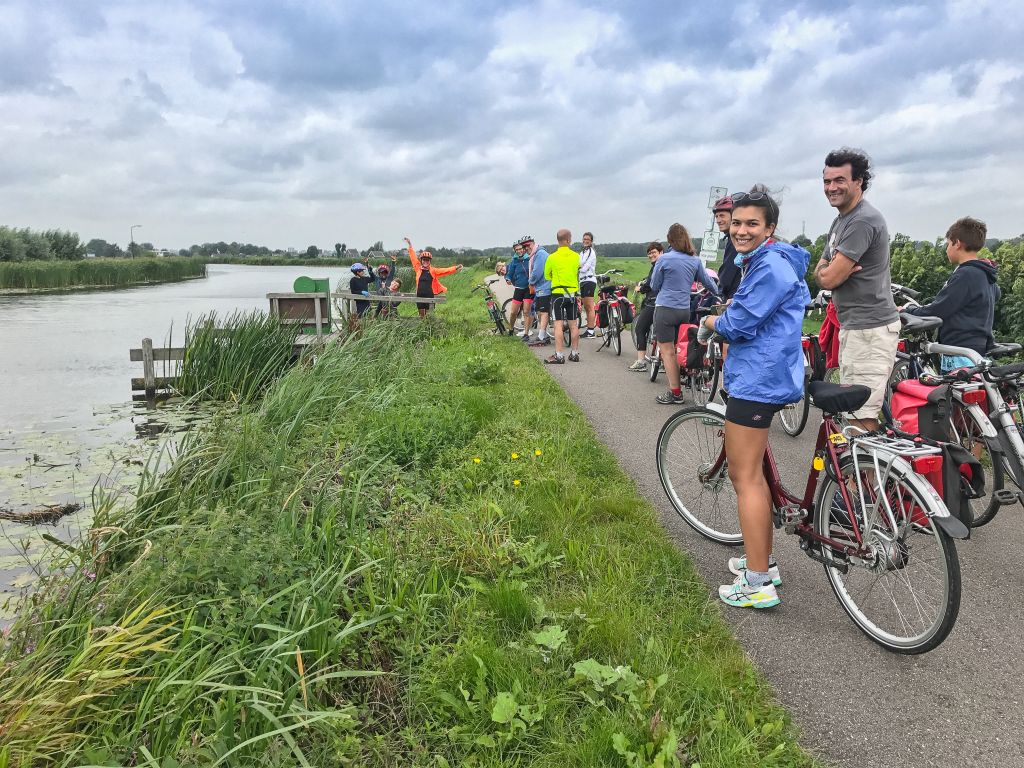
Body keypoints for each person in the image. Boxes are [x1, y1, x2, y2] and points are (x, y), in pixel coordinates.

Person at [699, 185, 810, 609]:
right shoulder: (771, 261)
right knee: (756, 475)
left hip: (758, 378)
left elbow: (739, 322)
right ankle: (762, 562)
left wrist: (710, 321)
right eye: (737, 222)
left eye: (752, 224)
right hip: (767, 373)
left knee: (745, 478)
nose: (741, 230)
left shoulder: (768, 268)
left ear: (770, 228)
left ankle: (758, 583)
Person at [814, 148, 898, 431]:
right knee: (854, 413)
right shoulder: (841, 220)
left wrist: (829, 272)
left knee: (861, 416)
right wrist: (828, 271)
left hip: (869, 330)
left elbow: (829, 278)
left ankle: (863, 476)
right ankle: (857, 475)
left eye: (839, 180)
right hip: (856, 327)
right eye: (827, 181)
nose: (831, 187)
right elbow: (822, 273)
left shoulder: (862, 220)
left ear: (859, 180)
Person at [904, 217, 999, 371]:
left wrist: (908, 312)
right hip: (978, 347)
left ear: (957, 243)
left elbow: (939, 309)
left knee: (951, 393)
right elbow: (996, 295)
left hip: (960, 351)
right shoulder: (985, 273)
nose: (947, 249)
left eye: (948, 244)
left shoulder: (966, 274)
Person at [650, 223, 718, 404]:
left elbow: (654, 285)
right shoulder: (695, 260)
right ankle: (690, 375)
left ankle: (675, 393)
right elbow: (709, 283)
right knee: (683, 346)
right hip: (684, 310)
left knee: (668, 352)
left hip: (665, 308)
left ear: (670, 240)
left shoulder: (663, 260)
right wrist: (720, 293)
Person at [543, 228, 582, 364]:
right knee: (573, 325)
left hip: (558, 294)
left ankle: (559, 355)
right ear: (568, 240)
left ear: (558, 240)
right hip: (572, 294)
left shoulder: (551, 257)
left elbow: (547, 275)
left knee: (558, 325)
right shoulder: (576, 256)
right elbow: (578, 270)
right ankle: (575, 353)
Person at [405, 237, 464, 318]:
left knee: (429, 316)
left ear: (430, 261)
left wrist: (456, 267)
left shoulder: (433, 271)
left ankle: (431, 329)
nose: (426, 261)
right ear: (421, 260)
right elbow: (413, 258)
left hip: (429, 295)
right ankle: (422, 329)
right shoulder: (418, 268)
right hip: (419, 295)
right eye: (424, 260)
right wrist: (410, 245)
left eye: (427, 260)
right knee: (421, 316)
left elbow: (445, 270)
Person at [628, 241, 663, 372]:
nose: (651, 255)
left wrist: (640, 288)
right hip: (666, 303)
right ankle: (663, 362)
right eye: (649, 253)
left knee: (640, 328)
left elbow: (650, 285)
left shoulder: (657, 266)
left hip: (653, 302)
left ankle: (641, 361)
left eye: (654, 252)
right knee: (663, 333)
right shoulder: (662, 265)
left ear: (661, 252)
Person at [524, 236, 552, 346]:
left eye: (527, 246)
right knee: (541, 312)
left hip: (545, 287)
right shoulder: (536, 253)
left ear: (532, 244)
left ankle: (541, 336)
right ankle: (543, 334)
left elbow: (537, 271)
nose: (526, 249)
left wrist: (530, 282)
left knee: (544, 312)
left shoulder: (540, 254)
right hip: (541, 287)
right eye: (525, 247)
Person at [712, 196, 741, 301]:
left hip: (734, 297)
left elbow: (728, 271)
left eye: (722, 216)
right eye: (716, 216)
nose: (718, 220)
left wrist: (720, 294)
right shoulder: (732, 238)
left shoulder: (737, 239)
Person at [505, 240, 534, 339]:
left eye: (520, 249)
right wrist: (508, 279)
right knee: (513, 312)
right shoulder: (514, 261)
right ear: (514, 250)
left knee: (526, 312)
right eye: (516, 249)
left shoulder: (529, 259)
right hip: (518, 289)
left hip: (528, 289)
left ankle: (526, 334)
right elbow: (509, 274)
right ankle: (511, 328)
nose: (519, 251)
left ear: (523, 249)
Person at [578, 231, 598, 337]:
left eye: (588, 240)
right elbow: (579, 265)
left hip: (589, 280)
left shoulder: (591, 252)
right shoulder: (582, 253)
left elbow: (585, 268)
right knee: (585, 306)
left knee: (590, 307)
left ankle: (591, 331)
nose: (585, 241)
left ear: (591, 242)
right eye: (584, 239)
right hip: (582, 281)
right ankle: (589, 329)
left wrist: (579, 268)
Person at [373, 253, 399, 318]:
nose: (383, 274)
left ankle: (376, 315)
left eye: (385, 272)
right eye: (382, 272)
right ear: (379, 273)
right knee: (382, 298)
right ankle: (377, 316)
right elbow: (371, 273)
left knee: (388, 306)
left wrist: (393, 262)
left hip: (388, 300)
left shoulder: (389, 279)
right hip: (380, 299)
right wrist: (367, 265)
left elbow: (392, 271)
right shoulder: (377, 279)